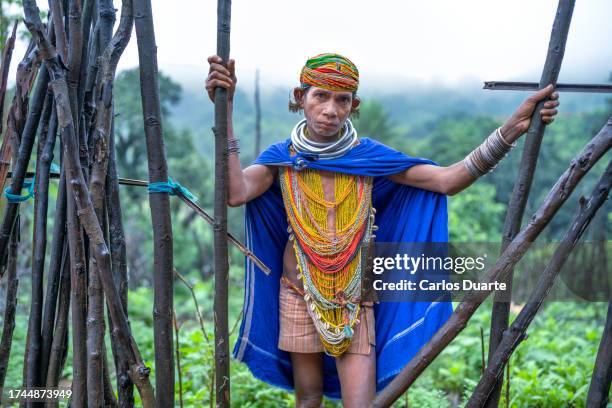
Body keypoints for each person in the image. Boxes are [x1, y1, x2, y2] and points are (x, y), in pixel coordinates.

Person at [205, 53, 559, 407]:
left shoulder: (369, 158)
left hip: (356, 301)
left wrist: (512, 127)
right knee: (307, 399)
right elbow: (236, 193)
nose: (330, 109)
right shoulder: (282, 159)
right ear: (301, 98)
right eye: (320, 96)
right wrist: (227, 109)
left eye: (342, 99)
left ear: (353, 105)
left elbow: (447, 181)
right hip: (298, 295)